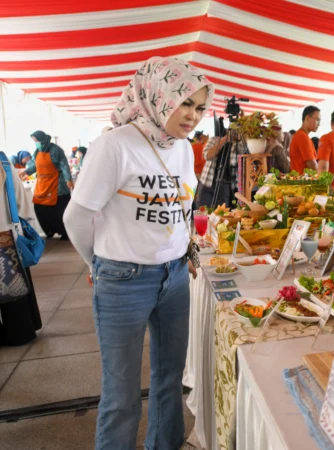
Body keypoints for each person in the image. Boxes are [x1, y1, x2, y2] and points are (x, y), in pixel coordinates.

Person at [63, 56, 214, 450]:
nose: (193, 116)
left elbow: (181, 208)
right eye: (185, 102)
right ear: (157, 95)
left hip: (175, 277)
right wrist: (96, 263)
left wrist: (187, 251)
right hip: (123, 281)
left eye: (199, 107)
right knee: (121, 392)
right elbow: (77, 217)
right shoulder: (114, 145)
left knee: (169, 381)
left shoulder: (181, 148)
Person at [0, 161, 42, 347]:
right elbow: (21, 203)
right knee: (13, 286)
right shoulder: (3, 164)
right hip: (7, 234)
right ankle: (20, 333)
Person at [20, 131, 73, 240]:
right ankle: (49, 230)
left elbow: (64, 165)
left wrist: (68, 179)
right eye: (35, 141)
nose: (36, 143)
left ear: (43, 139)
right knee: (40, 207)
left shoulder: (56, 150)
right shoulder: (37, 151)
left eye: (37, 141)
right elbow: (35, 166)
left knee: (60, 209)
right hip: (43, 184)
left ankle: (64, 232)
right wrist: (26, 172)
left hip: (57, 184)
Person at [196, 132, 244, 207]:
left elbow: (244, 156)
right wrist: (224, 140)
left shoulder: (239, 144)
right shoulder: (214, 140)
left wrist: (240, 139)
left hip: (226, 186)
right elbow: (207, 156)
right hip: (207, 183)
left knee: (221, 214)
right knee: (202, 211)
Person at [289, 106, 320, 174]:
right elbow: (313, 166)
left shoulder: (302, 135)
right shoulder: (302, 137)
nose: (319, 124)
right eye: (317, 120)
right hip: (303, 182)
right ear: (308, 118)